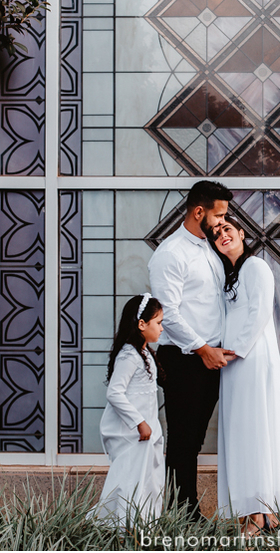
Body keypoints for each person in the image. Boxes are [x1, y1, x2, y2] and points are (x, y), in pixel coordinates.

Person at [148, 179, 237, 519]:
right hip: (185, 360)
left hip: (210, 359)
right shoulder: (171, 253)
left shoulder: (209, 249)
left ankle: (183, 509)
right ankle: (183, 514)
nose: (223, 221)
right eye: (219, 214)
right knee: (183, 440)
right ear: (199, 212)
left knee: (194, 441)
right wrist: (203, 349)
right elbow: (167, 313)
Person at [212, 215, 280, 534]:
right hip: (232, 363)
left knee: (257, 431)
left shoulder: (256, 266)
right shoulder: (229, 275)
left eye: (227, 229)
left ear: (242, 233)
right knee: (241, 433)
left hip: (252, 359)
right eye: (216, 233)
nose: (223, 235)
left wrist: (236, 350)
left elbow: (260, 312)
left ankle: (259, 515)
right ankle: (258, 513)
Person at [92, 293, 166, 525]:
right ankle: (124, 528)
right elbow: (115, 392)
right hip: (132, 432)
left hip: (147, 432)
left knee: (150, 480)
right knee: (130, 481)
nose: (162, 329)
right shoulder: (129, 355)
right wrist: (139, 422)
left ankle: (145, 524)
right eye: (159, 323)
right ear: (142, 324)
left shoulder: (144, 354)